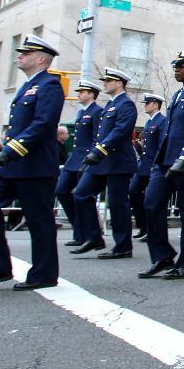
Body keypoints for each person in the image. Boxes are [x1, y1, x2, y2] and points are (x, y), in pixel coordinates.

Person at [0, 35, 65, 291]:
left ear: (40, 59)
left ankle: (44, 274)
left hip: (34, 166)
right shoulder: (27, 86)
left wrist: (9, 151)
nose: (19, 56)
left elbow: (42, 125)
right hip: (10, 167)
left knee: (38, 221)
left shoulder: (50, 85)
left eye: (25, 53)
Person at [139, 50, 184, 280]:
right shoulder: (178, 95)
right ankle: (162, 256)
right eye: (176, 66)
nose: (176, 69)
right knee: (151, 203)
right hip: (166, 161)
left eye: (181, 66)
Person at [72, 68, 138, 259]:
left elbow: (120, 131)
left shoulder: (126, 105)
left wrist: (99, 151)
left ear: (119, 83)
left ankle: (123, 246)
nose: (105, 83)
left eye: (109, 80)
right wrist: (94, 153)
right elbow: (100, 134)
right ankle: (94, 237)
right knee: (81, 194)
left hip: (118, 162)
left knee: (118, 204)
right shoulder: (110, 105)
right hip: (101, 162)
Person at [56, 80, 103, 247]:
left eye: (82, 91)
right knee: (61, 191)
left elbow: (97, 137)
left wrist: (91, 156)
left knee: (81, 196)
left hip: (85, 159)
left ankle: (88, 235)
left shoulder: (97, 111)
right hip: (73, 160)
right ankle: (80, 230)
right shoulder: (82, 112)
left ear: (91, 94)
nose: (79, 94)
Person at [130, 94, 166, 240]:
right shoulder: (149, 122)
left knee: (152, 200)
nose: (145, 105)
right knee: (133, 193)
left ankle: (151, 230)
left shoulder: (162, 121)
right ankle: (143, 226)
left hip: (153, 166)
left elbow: (161, 145)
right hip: (143, 166)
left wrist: (156, 163)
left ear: (156, 105)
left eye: (148, 103)